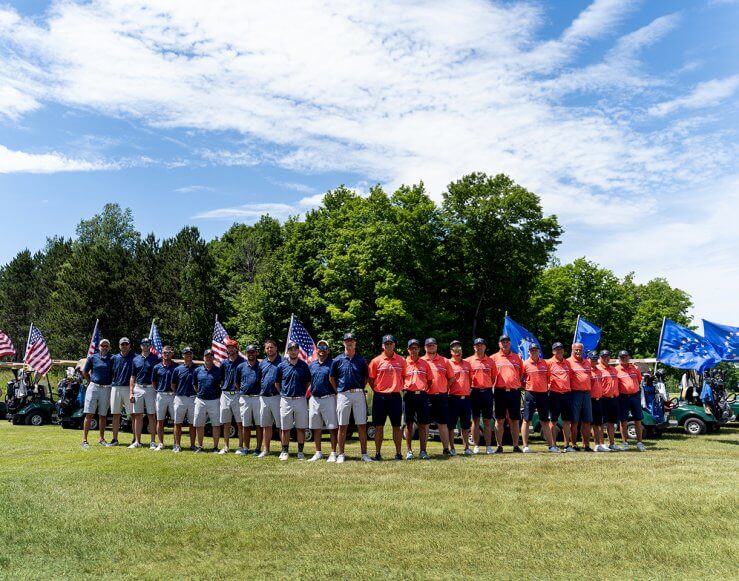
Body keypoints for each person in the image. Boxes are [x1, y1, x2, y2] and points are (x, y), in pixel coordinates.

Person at [330, 332, 373, 463]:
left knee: (361, 425)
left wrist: (359, 387)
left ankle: (364, 454)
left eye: (352, 340)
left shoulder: (361, 360)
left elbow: (366, 377)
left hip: (359, 393)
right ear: (343, 343)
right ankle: (341, 454)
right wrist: (338, 391)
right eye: (347, 340)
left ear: (355, 343)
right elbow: (332, 378)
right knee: (342, 425)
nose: (349, 342)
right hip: (343, 394)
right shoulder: (337, 360)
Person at [368, 335, 406, 461]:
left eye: (391, 343)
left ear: (394, 345)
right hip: (380, 397)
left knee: (396, 426)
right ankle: (378, 453)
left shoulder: (401, 360)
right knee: (379, 426)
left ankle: (398, 453)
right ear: (382, 345)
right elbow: (371, 379)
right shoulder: (376, 361)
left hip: (395, 397)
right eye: (386, 343)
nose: (389, 345)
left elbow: (405, 377)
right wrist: (379, 390)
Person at [275, 341, 311, 460]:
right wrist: (283, 393)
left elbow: (307, 382)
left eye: (295, 349)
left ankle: (300, 452)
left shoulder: (304, 365)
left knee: (301, 427)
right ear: (288, 351)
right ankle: (285, 451)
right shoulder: (281, 366)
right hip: (286, 399)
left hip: (300, 399)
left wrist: (301, 393)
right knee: (285, 428)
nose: (293, 351)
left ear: (298, 351)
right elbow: (277, 383)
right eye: (291, 349)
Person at [491, 335, 524, 453]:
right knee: (499, 419)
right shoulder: (493, 358)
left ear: (510, 343)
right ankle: (499, 446)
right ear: (499, 344)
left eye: (507, 342)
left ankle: (516, 445)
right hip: (500, 391)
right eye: (502, 342)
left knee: (515, 420)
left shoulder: (517, 357)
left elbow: (520, 374)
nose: (505, 344)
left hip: (514, 392)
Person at [422, 337, 455, 456]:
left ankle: (446, 449)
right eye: (429, 345)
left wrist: (445, 387)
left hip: (441, 396)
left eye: (433, 345)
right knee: (425, 423)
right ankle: (423, 450)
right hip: (426, 396)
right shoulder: (421, 361)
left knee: (443, 423)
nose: (431, 346)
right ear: (425, 347)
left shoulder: (445, 361)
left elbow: (451, 378)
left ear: (436, 346)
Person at [521, 344, 556, 453]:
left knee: (545, 421)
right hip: (530, 394)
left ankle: (551, 446)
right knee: (527, 420)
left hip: (543, 394)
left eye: (535, 350)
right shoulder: (525, 364)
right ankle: (525, 446)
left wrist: (547, 387)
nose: (533, 352)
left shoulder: (545, 363)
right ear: (529, 352)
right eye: (531, 350)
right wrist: (527, 387)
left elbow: (549, 378)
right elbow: (520, 378)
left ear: (538, 351)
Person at [307, 340, 338, 462]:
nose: (322, 349)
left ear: (328, 350)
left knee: (332, 427)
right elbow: (308, 382)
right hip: (314, 398)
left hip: (329, 397)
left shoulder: (333, 364)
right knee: (316, 427)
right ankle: (318, 452)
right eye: (320, 347)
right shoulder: (312, 365)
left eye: (325, 347)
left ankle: (333, 452)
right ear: (317, 350)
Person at [465, 338, 497, 454]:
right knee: (475, 420)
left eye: (481, 345)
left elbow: (493, 377)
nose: (479, 347)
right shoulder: (468, 361)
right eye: (477, 345)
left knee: (487, 421)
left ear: (485, 347)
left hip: (487, 392)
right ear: (474, 347)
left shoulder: (490, 361)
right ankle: (476, 445)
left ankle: (488, 446)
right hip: (474, 392)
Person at [81, 338, 113, 448]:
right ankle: (84, 440)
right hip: (93, 387)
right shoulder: (92, 357)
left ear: (109, 348)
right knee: (89, 413)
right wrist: (90, 382)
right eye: (102, 346)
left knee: (103, 415)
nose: (104, 347)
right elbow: (85, 372)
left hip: (106, 388)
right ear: (99, 347)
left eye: (106, 346)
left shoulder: (112, 358)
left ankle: (101, 439)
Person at [403, 338, 432, 460]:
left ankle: (423, 451)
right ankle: (409, 451)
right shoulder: (403, 363)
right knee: (409, 424)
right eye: (411, 348)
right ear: (408, 349)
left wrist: (422, 389)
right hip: (408, 395)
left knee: (422, 424)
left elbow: (429, 381)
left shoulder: (425, 364)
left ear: (419, 349)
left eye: (415, 348)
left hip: (422, 395)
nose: (413, 350)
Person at [129, 337, 159, 450]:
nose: (146, 346)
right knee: (138, 415)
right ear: (141, 345)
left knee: (151, 415)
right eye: (144, 344)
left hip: (151, 389)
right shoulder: (136, 359)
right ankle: (137, 441)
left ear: (151, 346)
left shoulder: (156, 359)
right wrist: (131, 392)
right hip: (138, 388)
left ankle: (152, 442)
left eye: (148, 344)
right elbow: (132, 377)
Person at [219, 338, 245, 454]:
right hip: (225, 393)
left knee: (240, 422)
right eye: (228, 348)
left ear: (236, 348)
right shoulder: (224, 363)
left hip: (237, 394)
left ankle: (240, 446)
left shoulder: (242, 362)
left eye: (232, 347)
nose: (230, 349)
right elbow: (221, 378)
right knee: (226, 422)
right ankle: (226, 446)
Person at [193, 349, 223, 453]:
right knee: (199, 425)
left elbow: (222, 383)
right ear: (204, 357)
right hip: (200, 400)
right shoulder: (197, 370)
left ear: (213, 358)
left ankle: (215, 447)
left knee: (216, 425)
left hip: (214, 400)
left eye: (211, 356)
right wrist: (200, 393)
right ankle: (200, 446)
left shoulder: (218, 370)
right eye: (207, 356)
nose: (209, 358)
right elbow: (195, 385)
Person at [547, 342, 575, 452]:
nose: (559, 351)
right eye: (556, 349)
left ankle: (567, 445)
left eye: (561, 349)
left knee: (567, 421)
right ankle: (553, 445)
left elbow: (571, 377)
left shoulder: (567, 363)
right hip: (554, 394)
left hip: (567, 394)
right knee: (553, 421)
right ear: (553, 351)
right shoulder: (548, 362)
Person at [616, 350, 646, 451]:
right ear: (619, 358)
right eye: (621, 357)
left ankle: (639, 443)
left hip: (635, 396)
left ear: (629, 357)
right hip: (623, 397)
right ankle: (625, 443)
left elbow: (638, 380)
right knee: (623, 420)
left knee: (638, 420)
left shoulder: (635, 368)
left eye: (625, 356)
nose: (624, 358)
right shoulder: (616, 370)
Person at [257, 339, 282, 458]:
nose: (269, 349)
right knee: (266, 425)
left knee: (281, 425)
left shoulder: (283, 362)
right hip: (264, 397)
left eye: (271, 347)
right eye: (267, 348)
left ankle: (284, 450)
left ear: (276, 348)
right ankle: (266, 449)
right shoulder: (262, 363)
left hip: (277, 397)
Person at [447, 340, 472, 456]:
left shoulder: (467, 364)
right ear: (451, 351)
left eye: (459, 349)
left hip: (466, 398)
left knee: (465, 425)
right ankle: (451, 448)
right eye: (454, 349)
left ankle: (466, 447)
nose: (457, 351)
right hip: (453, 398)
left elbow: (471, 380)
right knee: (451, 425)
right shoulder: (448, 363)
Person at [235, 344, 261, 456]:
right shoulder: (240, 367)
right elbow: (237, 383)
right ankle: (246, 447)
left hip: (257, 398)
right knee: (246, 425)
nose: (251, 354)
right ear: (246, 353)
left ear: (256, 353)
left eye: (253, 352)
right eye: (249, 352)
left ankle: (258, 448)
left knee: (259, 425)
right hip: (245, 398)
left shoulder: (261, 366)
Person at [567, 342, 593, 452]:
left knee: (587, 421)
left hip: (586, 394)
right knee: (574, 421)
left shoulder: (588, 362)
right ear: (572, 349)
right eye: (576, 349)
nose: (578, 351)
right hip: (574, 394)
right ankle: (573, 444)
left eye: (580, 350)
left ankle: (586, 445)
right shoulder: (568, 362)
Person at [152, 345, 178, 451]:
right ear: (162, 354)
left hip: (173, 395)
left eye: (168, 352)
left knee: (176, 421)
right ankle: (161, 443)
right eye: (164, 353)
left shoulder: (176, 367)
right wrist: (159, 390)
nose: (166, 354)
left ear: (172, 354)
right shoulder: (156, 367)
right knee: (160, 420)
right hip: (161, 395)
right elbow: (154, 382)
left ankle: (176, 444)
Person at [172, 347, 197, 453]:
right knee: (178, 423)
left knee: (193, 424)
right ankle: (177, 445)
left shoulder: (197, 369)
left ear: (192, 355)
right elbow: (173, 385)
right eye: (186, 353)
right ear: (183, 355)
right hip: (180, 398)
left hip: (193, 398)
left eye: (190, 353)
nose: (188, 355)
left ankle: (192, 445)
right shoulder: (177, 369)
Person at [110, 337, 135, 447]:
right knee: (116, 414)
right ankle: (115, 439)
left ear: (129, 345)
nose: (124, 346)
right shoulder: (114, 358)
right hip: (116, 387)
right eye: (122, 344)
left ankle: (135, 438)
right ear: (119, 346)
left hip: (129, 388)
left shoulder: (135, 357)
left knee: (133, 414)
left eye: (126, 344)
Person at [597, 350, 621, 450]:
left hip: (613, 398)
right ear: (600, 357)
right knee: (601, 423)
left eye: (607, 356)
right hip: (603, 398)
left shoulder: (614, 369)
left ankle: (612, 443)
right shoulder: (597, 369)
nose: (606, 358)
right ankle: (602, 444)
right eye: (603, 356)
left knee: (611, 422)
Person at [588, 351, 609, 452]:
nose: (594, 361)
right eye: (592, 359)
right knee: (592, 424)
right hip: (590, 399)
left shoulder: (599, 371)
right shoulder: (587, 371)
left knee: (599, 423)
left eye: (596, 359)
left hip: (599, 399)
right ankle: (596, 444)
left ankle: (601, 443)